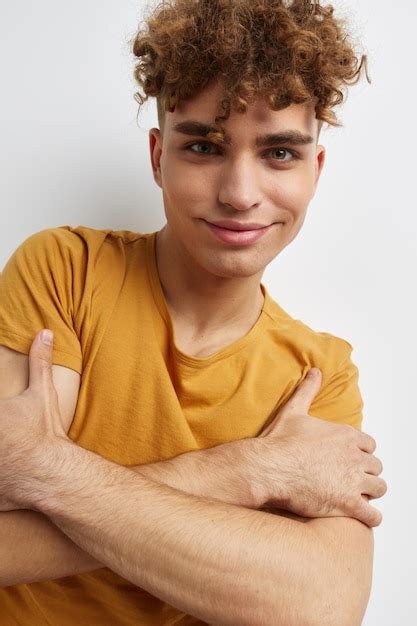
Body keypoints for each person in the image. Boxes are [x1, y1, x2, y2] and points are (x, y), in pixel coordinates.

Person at [0, 0, 387, 624]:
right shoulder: (65, 271)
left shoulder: (320, 375)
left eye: (279, 154)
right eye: (205, 147)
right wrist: (250, 469)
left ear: (315, 172)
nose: (238, 194)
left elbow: (320, 605)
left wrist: (44, 470)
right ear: (158, 157)